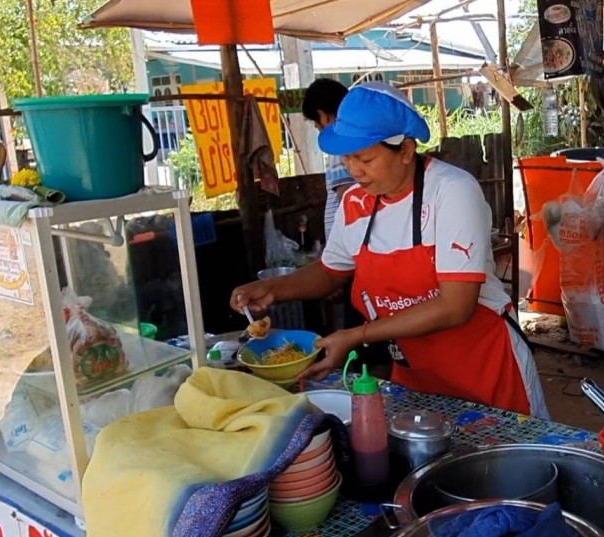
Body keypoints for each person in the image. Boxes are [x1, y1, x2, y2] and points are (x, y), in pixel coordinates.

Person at [231, 83, 548, 418]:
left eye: (365, 158)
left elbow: (456, 306)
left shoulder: (452, 191)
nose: (354, 170)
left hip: (484, 368)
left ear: (406, 150)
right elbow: (329, 272)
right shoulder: (354, 203)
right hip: (416, 377)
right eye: (347, 158)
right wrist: (273, 289)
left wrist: (357, 335)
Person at [301, 78, 356, 241]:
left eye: (314, 122)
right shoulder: (357, 138)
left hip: (346, 241)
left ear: (322, 116)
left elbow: (346, 197)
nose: (316, 126)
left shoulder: (337, 145)